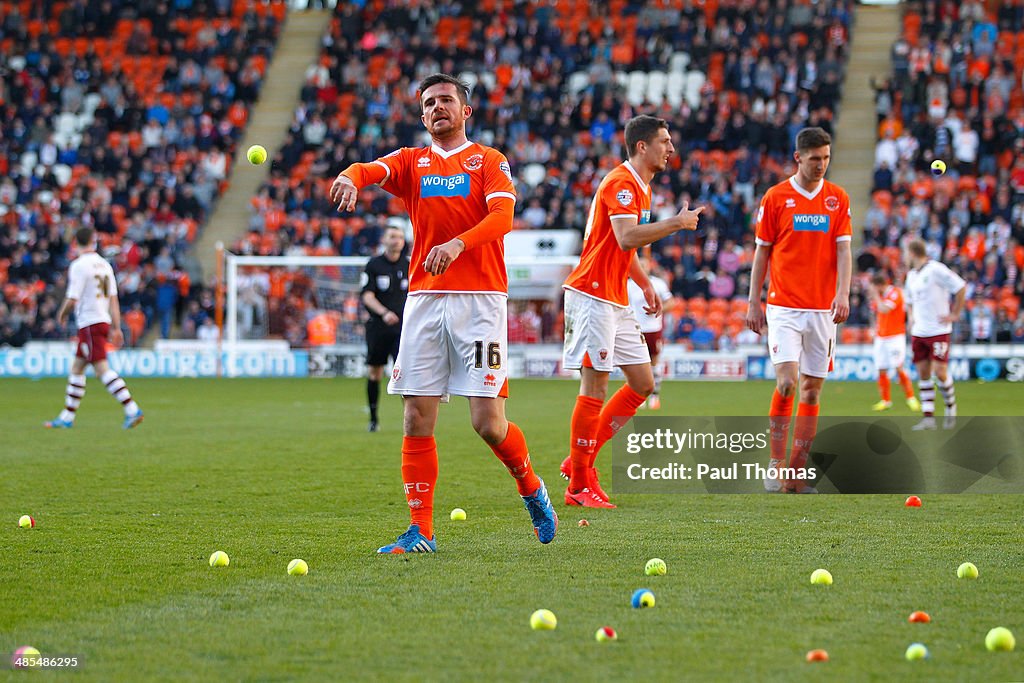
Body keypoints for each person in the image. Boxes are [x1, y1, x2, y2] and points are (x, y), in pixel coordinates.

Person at [330, 73, 557, 553]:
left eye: (446, 101)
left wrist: (457, 243)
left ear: (466, 111)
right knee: (415, 416)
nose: (437, 108)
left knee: (488, 425)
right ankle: (421, 531)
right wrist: (349, 176)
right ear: (421, 114)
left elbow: (503, 218)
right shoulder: (414, 163)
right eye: (429, 103)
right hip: (425, 302)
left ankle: (532, 488)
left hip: (480, 301)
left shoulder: (488, 161)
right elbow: (369, 169)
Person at [558, 115, 704, 508]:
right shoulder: (622, 183)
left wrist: (642, 283)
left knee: (642, 383)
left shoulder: (641, 187)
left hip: (614, 296)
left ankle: (579, 462)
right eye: (664, 141)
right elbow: (625, 237)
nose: (671, 148)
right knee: (595, 387)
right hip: (591, 295)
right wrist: (676, 223)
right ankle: (579, 485)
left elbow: (623, 246)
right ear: (642, 146)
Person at [746, 127, 852, 493]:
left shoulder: (837, 199)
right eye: (814, 159)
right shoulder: (776, 198)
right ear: (798, 158)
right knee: (788, 383)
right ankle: (776, 464)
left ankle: (797, 472)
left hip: (823, 310)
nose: (821, 165)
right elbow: (762, 251)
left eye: (825, 158)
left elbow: (843, 251)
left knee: (811, 391)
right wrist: (753, 301)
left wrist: (843, 293)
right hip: (784, 307)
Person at [45, 227, 144, 430]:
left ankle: (132, 409)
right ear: (94, 241)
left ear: (76, 242)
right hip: (102, 320)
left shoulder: (79, 265)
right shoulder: (105, 265)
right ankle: (67, 417)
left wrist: (61, 315)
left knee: (101, 369)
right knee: (77, 368)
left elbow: (72, 298)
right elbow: (113, 300)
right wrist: (116, 327)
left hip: (89, 323)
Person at [904, 239, 966, 430]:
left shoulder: (936, 269)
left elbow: (961, 286)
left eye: (906, 253)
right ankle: (928, 418)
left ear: (913, 253)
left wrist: (955, 313)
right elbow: (909, 301)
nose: (905, 257)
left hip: (938, 330)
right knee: (923, 374)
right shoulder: (911, 276)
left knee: (940, 372)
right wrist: (911, 319)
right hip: (919, 332)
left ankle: (950, 406)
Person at [360, 225, 409, 432]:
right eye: (392, 236)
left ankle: (410, 420)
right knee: (375, 372)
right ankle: (373, 419)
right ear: (384, 240)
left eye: (399, 237)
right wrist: (384, 313)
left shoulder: (410, 265)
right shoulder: (373, 264)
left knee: (405, 375)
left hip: (404, 329)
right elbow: (367, 295)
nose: (397, 240)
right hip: (378, 327)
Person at [867, 272, 920, 412]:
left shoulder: (895, 293)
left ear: (879, 285)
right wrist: (874, 328)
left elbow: (884, 309)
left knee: (898, 367)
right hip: (881, 336)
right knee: (881, 368)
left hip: (895, 336)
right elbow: (876, 312)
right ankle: (886, 401)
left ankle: (911, 397)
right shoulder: (880, 296)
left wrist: (875, 296)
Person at [627, 255, 672, 409]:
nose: (643, 267)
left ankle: (655, 396)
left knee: (654, 363)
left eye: (645, 265)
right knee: (637, 366)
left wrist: (658, 309)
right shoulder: (629, 285)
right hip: (636, 329)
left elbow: (670, 302)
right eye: (640, 265)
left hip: (654, 329)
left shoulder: (658, 284)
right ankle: (639, 397)